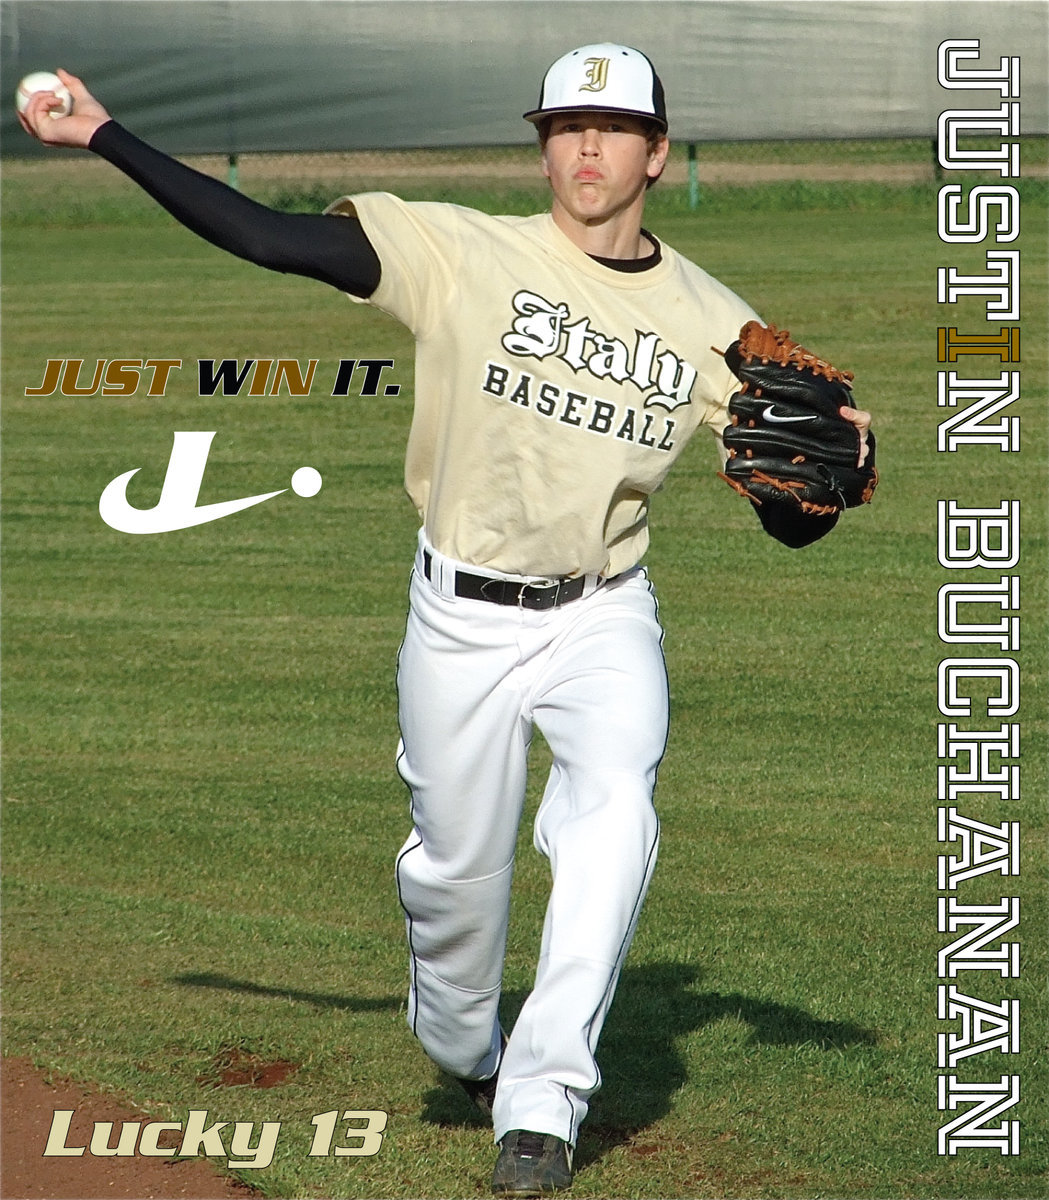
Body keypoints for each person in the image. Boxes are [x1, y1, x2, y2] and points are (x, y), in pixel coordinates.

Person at [19, 45, 872, 1196]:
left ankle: (543, 1102)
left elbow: (790, 512)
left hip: (601, 616)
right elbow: (274, 238)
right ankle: (468, 1046)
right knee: (452, 886)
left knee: (611, 819)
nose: (585, 146)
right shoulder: (461, 250)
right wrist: (107, 139)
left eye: (612, 128)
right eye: (564, 124)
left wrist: (847, 461)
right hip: (458, 618)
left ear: (655, 154)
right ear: (542, 144)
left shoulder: (712, 322)